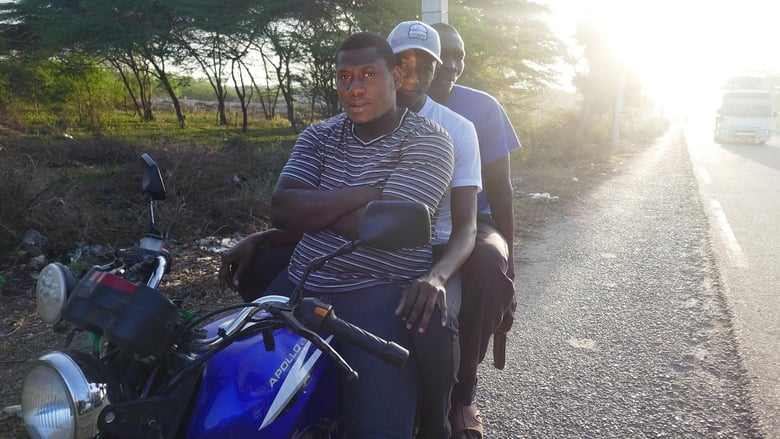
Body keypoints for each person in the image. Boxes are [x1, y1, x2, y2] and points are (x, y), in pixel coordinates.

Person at [220, 32, 455, 438]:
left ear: (397, 77)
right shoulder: (320, 135)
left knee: (377, 432)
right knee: (234, 390)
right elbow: (283, 209)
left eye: (368, 75)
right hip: (303, 281)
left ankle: (438, 423)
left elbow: (386, 230)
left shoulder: (429, 139)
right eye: (345, 77)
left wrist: (316, 209)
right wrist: (367, 193)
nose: (355, 88)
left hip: (380, 292)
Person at [386, 20, 481, 439]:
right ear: (385, 66)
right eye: (401, 63)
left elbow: (466, 225)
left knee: (432, 318)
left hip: (434, 249)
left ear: (436, 70)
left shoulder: (456, 129)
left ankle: (436, 418)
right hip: (367, 248)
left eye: (423, 65)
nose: (411, 75)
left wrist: (437, 276)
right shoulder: (360, 117)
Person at [429, 22, 522, 439]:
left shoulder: (483, 108)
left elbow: (500, 189)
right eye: (443, 55)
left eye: (459, 56)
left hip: (473, 218)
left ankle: (462, 394)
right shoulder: (394, 103)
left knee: (488, 262)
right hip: (412, 216)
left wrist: (510, 260)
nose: (451, 65)